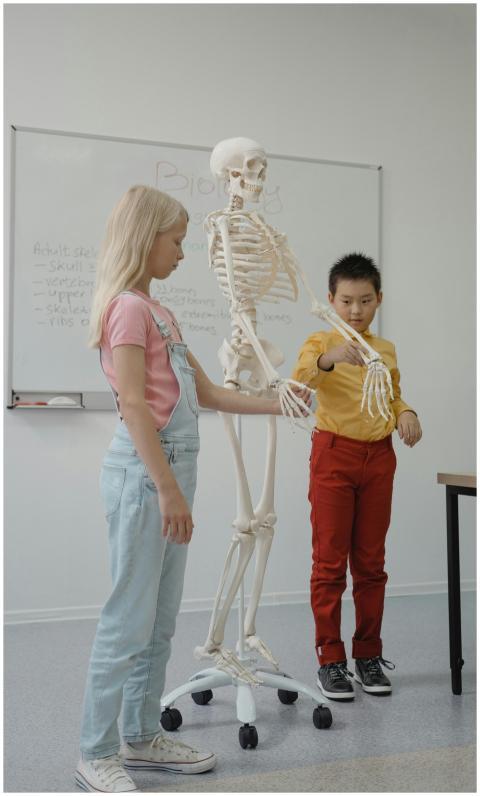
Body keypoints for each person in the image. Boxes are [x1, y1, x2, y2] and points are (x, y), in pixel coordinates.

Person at [76, 185, 310, 792]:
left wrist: (278, 403)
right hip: (146, 474)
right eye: (176, 240)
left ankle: (141, 735)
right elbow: (134, 405)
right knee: (127, 620)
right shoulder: (127, 309)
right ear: (145, 236)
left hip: (172, 471)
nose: (183, 252)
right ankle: (95, 751)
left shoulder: (159, 312)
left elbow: (205, 393)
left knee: (159, 621)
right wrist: (167, 490)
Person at [292, 252, 422, 702]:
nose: (355, 310)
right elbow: (301, 380)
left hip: (379, 456)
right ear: (331, 300)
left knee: (371, 564)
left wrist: (406, 412)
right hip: (335, 455)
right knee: (329, 563)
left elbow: (393, 394)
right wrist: (330, 359)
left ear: (378, 299)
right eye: (346, 301)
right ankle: (330, 659)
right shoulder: (320, 342)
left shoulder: (385, 349)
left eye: (365, 300)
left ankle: (368, 655)